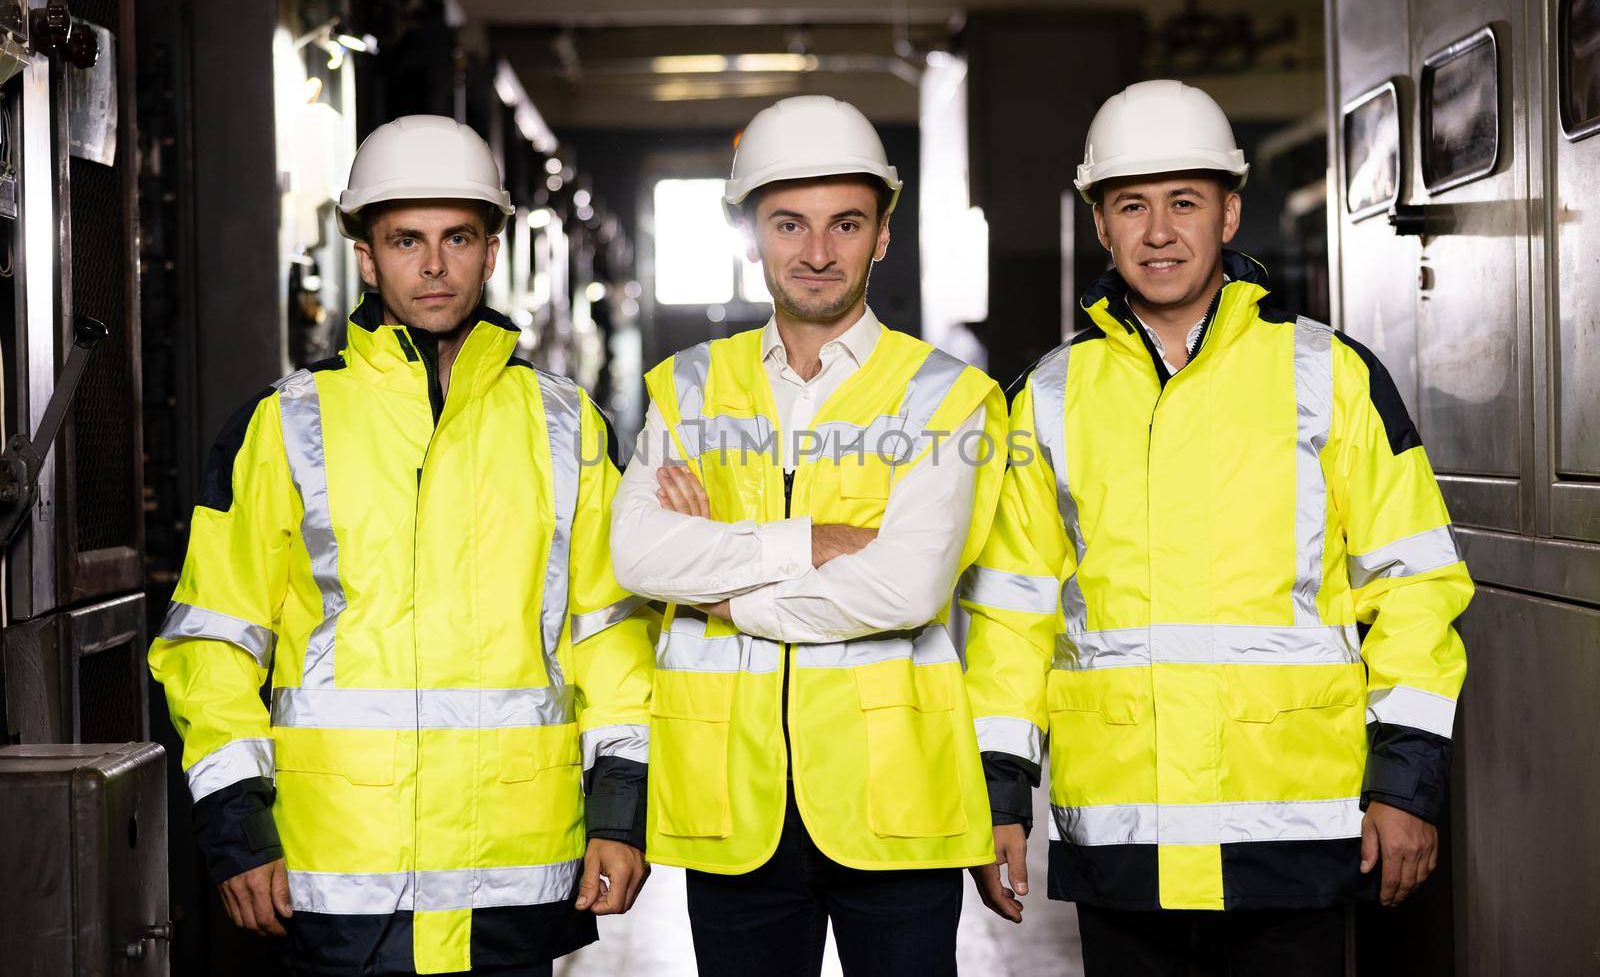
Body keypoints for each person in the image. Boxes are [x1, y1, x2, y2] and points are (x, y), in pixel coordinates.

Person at [960, 80, 1472, 975]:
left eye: (1185, 202)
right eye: (1133, 206)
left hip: (1298, 831)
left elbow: (1417, 586)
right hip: (1121, 838)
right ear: (1100, 226)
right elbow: (1009, 616)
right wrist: (1001, 796)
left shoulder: (1333, 376)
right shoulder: (1045, 397)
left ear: (1230, 213)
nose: (1159, 232)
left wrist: (1406, 782)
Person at [149, 115, 655, 976]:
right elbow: (213, 642)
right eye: (406, 239)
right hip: (339, 879)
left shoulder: (570, 427)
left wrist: (620, 811)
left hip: (515, 874)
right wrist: (236, 829)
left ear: (492, 249)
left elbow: (610, 634)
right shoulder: (283, 427)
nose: (432, 265)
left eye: (457, 237)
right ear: (367, 255)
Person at [609, 95, 1007, 976]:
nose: (817, 252)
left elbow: (904, 588)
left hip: (896, 805)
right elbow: (635, 554)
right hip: (733, 806)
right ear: (751, 233)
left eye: (845, 223)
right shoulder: (687, 387)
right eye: (789, 223)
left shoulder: (948, 396)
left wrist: (713, 585)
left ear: (883, 235)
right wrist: (806, 542)